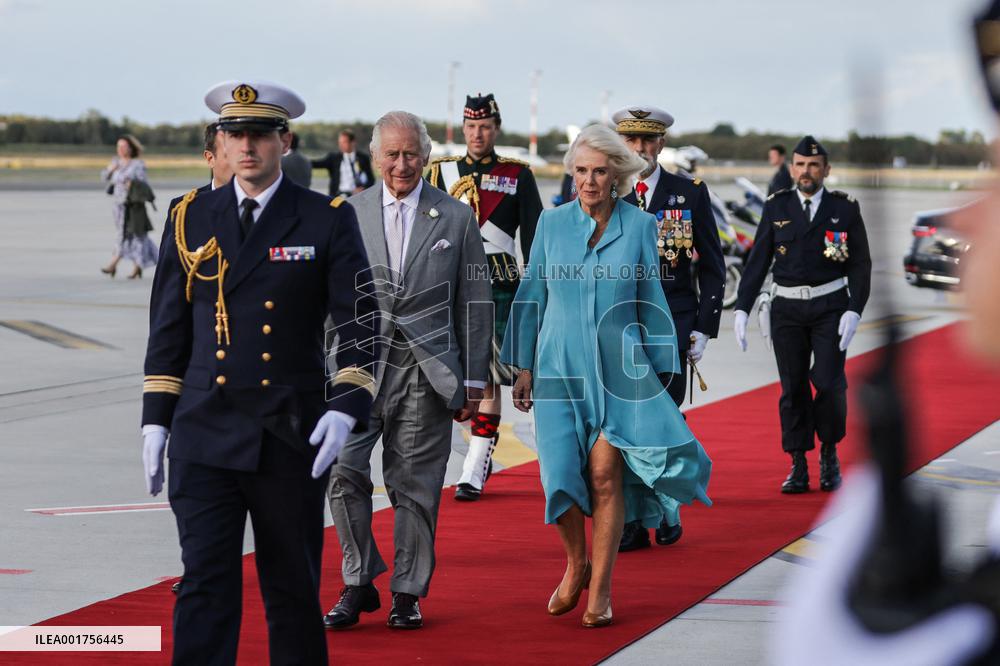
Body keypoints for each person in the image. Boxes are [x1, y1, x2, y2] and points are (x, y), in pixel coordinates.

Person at [140, 80, 380, 665]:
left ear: (284, 141)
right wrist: (155, 420)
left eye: (259, 134)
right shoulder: (189, 216)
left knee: (291, 588)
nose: (246, 146)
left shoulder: (323, 218)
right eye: (234, 134)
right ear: (220, 142)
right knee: (204, 584)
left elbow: (359, 319)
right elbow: (169, 328)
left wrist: (347, 405)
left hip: (287, 433)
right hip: (203, 430)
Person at [501, 124, 712, 628]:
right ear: (571, 173)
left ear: (616, 175)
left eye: (599, 171)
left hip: (620, 373)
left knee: (603, 477)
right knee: (557, 478)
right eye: (580, 171)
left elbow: (650, 300)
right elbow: (532, 295)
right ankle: (577, 562)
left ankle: (600, 589)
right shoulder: (551, 225)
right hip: (556, 369)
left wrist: (664, 367)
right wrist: (522, 366)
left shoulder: (640, 227)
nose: (589, 181)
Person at [325, 111, 491, 630]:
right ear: (375, 158)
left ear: (425, 156)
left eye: (410, 154)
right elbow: (328, 304)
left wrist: (474, 381)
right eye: (391, 155)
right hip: (358, 370)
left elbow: (475, 302)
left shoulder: (456, 218)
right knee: (341, 471)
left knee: (414, 485)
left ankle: (407, 591)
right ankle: (358, 579)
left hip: (426, 371)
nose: (401, 164)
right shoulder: (345, 214)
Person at [613, 105, 726, 550]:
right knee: (624, 418)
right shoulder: (607, 190)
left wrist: (704, 326)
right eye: (632, 140)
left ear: (661, 143)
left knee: (663, 416)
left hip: (673, 318)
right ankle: (636, 519)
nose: (640, 148)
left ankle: (668, 507)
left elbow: (713, 267)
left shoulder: (689, 193)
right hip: (619, 320)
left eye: (648, 140)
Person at [734, 135, 871, 494]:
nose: (806, 171)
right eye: (799, 165)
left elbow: (860, 265)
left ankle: (829, 454)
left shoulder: (845, 209)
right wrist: (742, 308)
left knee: (828, 382)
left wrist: (855, 309)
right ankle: (798, 463)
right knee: (792, 387)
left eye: (813, 165)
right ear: (791, 168)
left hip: (830, 307)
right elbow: (758, 259)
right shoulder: (777, 206)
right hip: (787, 310)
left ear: (826, 169)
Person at [428, 93, 544, 502]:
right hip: (450, 283)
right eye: (472, 126)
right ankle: (477, 450)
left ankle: (475, 464)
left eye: (485, 127)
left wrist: (538, 294)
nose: (478, 134)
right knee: (451, 375)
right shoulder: (439, 172)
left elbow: (534, 241)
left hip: (498, 283)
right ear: (464, 128)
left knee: (489, 377)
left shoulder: (518, 175)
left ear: (496, 128)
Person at [168, 121, 235, 597]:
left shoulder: (285, 212)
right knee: (190, 487)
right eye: (229, 147)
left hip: (258, 373)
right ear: (210, 157)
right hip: (199, 376)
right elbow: (166, 309)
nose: (241, 154)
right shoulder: (184, 212)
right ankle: (199, 566)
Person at [100, 134, 158, 279]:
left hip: (134, 205)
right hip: (119, 206)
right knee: (125, 234)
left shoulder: (138, 164)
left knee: (137, 235)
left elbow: (143, 183)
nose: (120, 149)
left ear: (131, 148)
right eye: (118, 146)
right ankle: (137, 266)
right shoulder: (116, 162)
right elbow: (104, 177)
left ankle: (116, 264)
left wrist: (131, 183)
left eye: (123, 146)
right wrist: (111, 170)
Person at [312, 129, 375, 198]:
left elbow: (371, 180)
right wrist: (302, 161)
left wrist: (363, 188)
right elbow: (317, 164)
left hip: (358, 196)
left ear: (353, 142)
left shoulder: (363, 158)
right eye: (340, 143)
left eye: (344, 142)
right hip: (338, 197)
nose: (341, 145)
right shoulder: (334, 158)